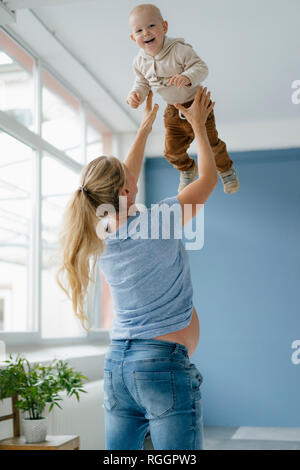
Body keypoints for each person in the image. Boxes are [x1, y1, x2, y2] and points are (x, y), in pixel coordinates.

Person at [56, 86, 217, 450]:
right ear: (126, 189)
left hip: (118, 367)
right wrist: (199, 125)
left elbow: (119, 183)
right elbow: (207, 181)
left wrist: (144, 128)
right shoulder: (157, 220)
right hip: (161, 366)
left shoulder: (99, 233)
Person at [127, 3, 239, 194]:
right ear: (133, 37)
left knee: (212, 145)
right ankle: (187, 168)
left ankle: (226, 169)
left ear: (165, 27)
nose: (146, 32)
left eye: (151, 26)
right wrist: (135, 94)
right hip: (173, 109)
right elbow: (142, 82)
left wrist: (187, 77)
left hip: (197, 104)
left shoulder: (179, 50)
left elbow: (202, 68)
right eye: (139, 30)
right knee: (171, 151)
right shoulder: (139, 62)